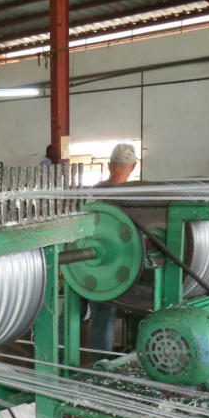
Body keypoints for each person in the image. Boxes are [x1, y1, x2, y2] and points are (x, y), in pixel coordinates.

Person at [87, 143, 138, 354]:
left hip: (85, 263)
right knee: (103, 315)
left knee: (74, 312)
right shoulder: (136, 195)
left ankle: (61, 358)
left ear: (109, 165)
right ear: (133, 167)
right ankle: (102, 363)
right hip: (113, 266)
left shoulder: (95, 192)